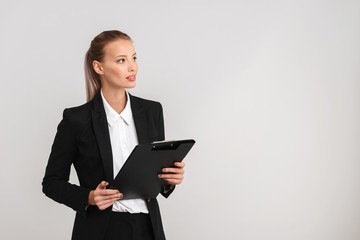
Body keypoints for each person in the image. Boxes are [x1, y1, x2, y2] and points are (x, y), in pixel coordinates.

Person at [42, 30, 185, 240]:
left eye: (134, 58)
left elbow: (154, 180)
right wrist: (90, 197)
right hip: (101, 231)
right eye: (121, 60)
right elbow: (51, 183)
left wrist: (170, 179)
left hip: (148, 228)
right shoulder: (77, 120)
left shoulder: (152, 111)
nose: (132, 66)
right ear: (99, 67)